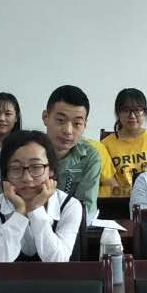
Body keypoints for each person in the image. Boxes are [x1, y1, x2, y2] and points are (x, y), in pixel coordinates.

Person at [0, 129, 84, 262]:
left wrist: (36, 209)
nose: (27, 178)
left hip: (57, 277)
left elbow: (58, 261)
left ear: (51, 170)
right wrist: (20, 213)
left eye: (36, 167)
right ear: (5, 174)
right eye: (16, 168)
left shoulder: (69, 206)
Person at [43, 84, 101, 218]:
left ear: (85, 125)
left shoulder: (90, 157)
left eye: (77, 124)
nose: (68, 131)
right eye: (60, 120)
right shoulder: (26, 152)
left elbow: (87, 209)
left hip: (72, 227)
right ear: (45, 117)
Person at [100, 88, 147, 191]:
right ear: (118, 113)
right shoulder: (105, 145)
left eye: (137, 110)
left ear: (145, 112)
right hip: (120, 198)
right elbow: (108, 181)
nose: (132, 116)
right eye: (126, 110)